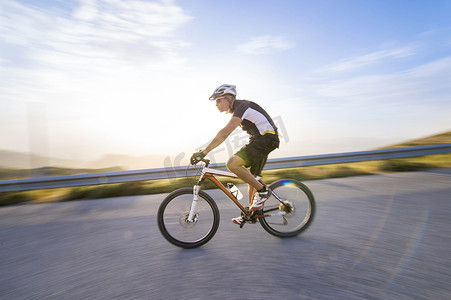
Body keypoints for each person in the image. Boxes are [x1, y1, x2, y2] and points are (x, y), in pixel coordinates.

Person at [190, 84, 280, 226]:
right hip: (260, 140)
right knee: (253, 178)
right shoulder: (238, 110)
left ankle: (263, 192)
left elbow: (225, 133)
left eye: (218, 100)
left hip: (266, 139)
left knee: (232, 163)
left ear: (229, 97)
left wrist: (204, 152)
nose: (216, 104)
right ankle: (250, 213)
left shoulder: (242, 106)